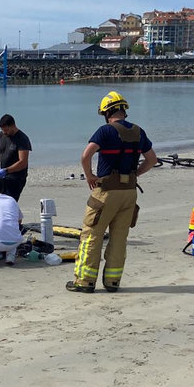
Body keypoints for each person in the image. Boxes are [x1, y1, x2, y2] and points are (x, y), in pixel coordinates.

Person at [67, 91, 157, 293]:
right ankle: (112, 281)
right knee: (119, 237)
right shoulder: (139, 132)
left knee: (92, 235)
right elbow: (152, 160)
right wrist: (135, 174)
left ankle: (85, 281)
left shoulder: (105, 131)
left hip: (106, 192)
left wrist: (89, 175)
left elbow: (85, 155)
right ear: (124, 110)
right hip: (129, 192)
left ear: (107, 113)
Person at [0, 113, 31, 202]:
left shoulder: (22, 139)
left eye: (6, 130)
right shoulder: (1, 135)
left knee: (8, 202)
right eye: (2, 130)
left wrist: (6, 170)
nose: (4, 132)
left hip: (16, 178)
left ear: (12, 126)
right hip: (2, 177)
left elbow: (23, 162)